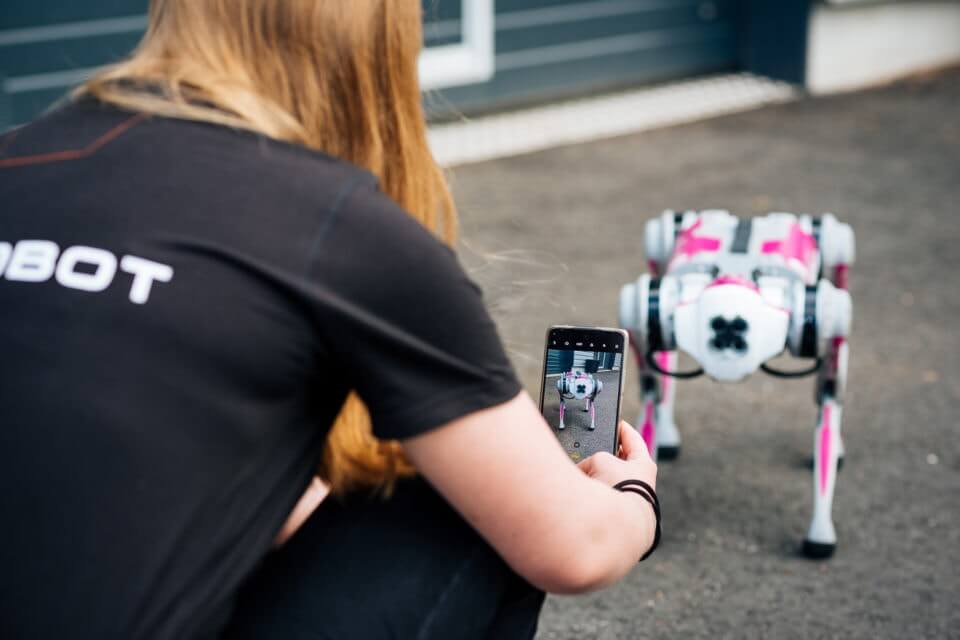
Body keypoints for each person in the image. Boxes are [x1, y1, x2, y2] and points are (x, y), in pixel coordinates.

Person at [0, 1, 659, 638]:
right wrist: (635, 498)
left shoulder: (15, 157)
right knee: (475, 508)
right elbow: (575, 548)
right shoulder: (338, 224)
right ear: (375, 39)